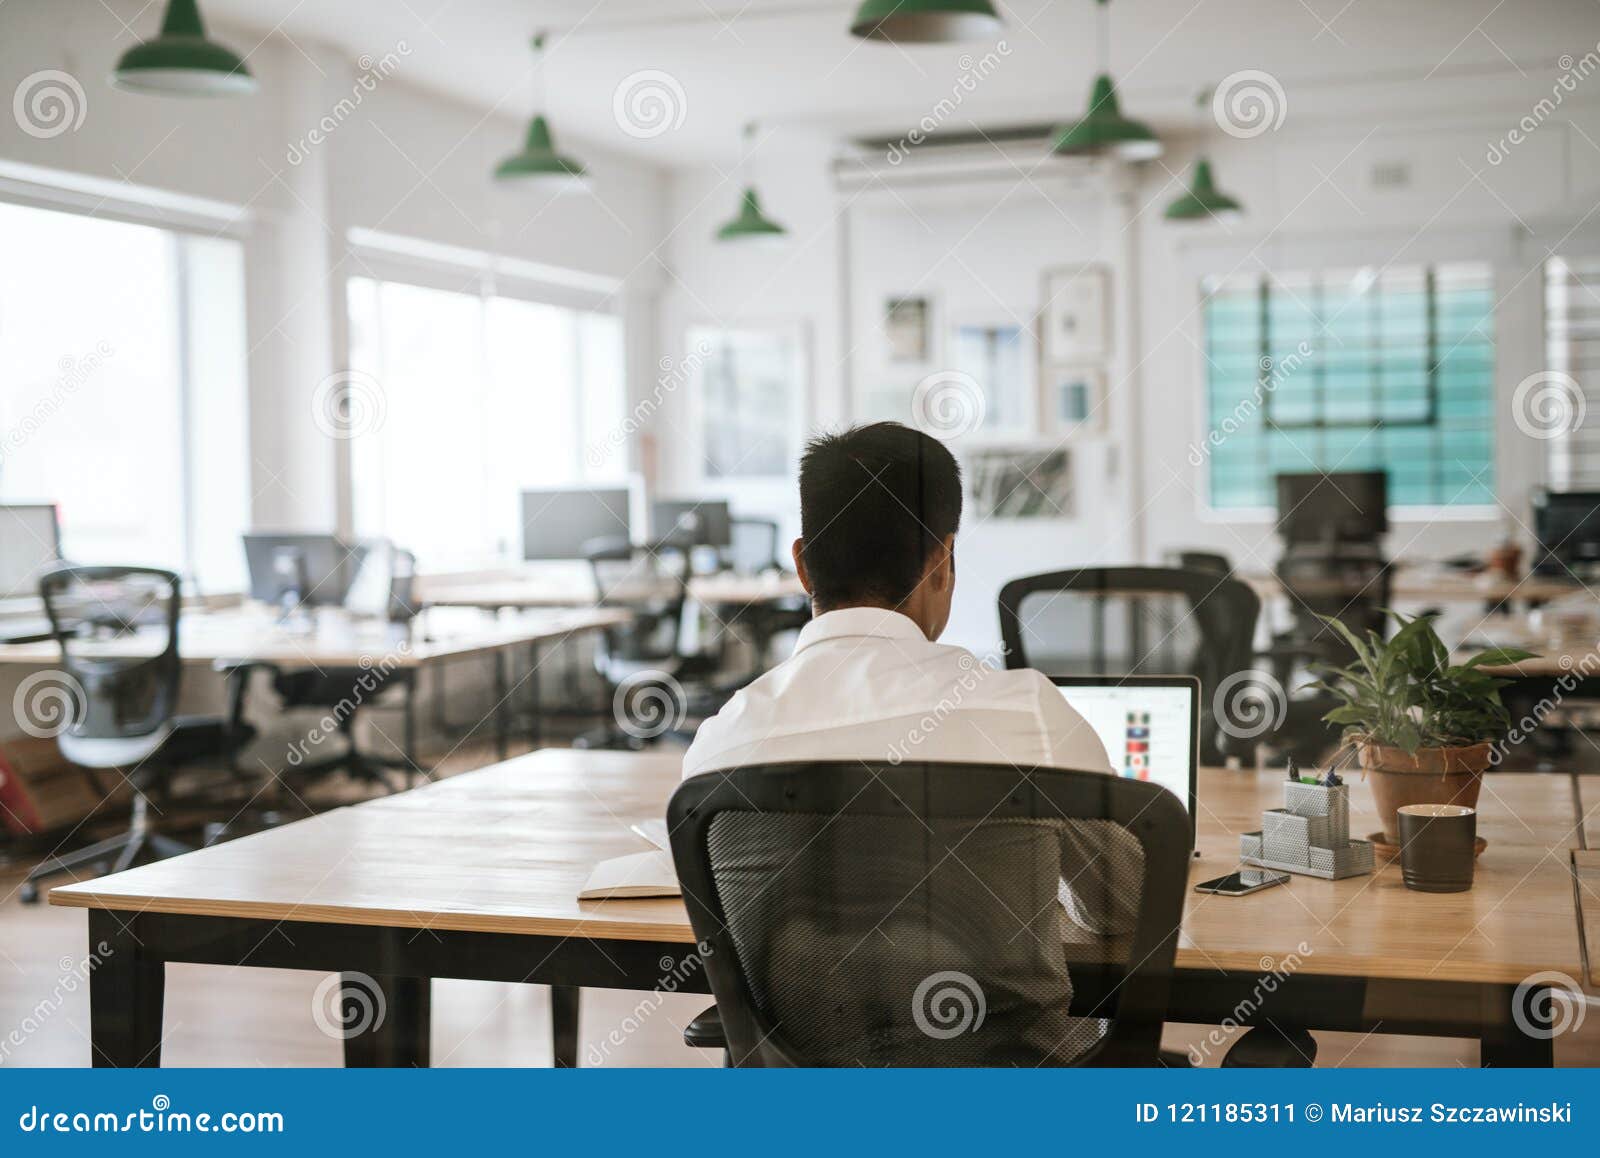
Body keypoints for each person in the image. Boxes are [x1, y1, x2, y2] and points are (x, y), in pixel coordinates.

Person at [683, 420, 1112, 783]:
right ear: (941, 565)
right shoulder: (1030, 716)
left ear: (802, 565)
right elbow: (1124, 879)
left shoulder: (721, 745)